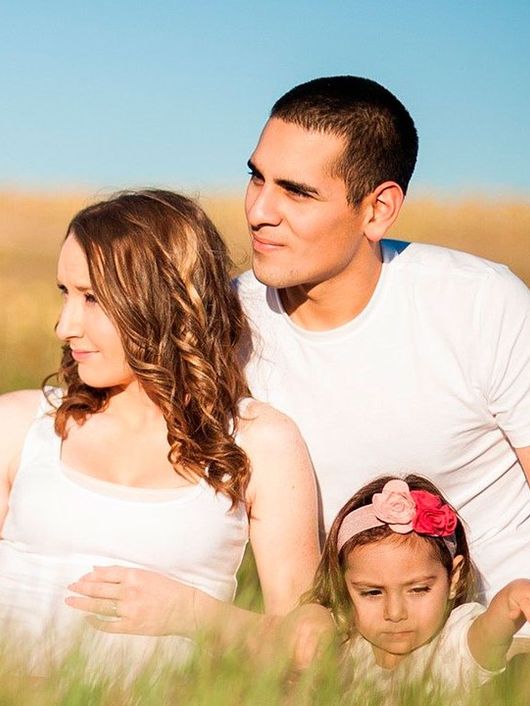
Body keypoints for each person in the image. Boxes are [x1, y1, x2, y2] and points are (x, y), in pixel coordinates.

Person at [235, 76, 530, 641]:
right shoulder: (224, 323)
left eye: (296, 192)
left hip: (504, 649)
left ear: (378, 210)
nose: (259, 211)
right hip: (340, 662)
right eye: (256, 177)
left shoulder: (480, 302)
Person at [0, 189, 320, 673]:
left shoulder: (260, 442)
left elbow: (311, 647)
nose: (65, 325)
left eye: (92, 298)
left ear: (164, 301)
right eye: (65, 294)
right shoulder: (21, 425)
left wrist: (193, 615)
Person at [306, 474, 530, 703]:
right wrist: (312, 614)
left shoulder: (453, 644)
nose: (395, 613)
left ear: (453, 578)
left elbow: (488, 635)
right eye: (372, 592)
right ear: (343, 586)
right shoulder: (345, 645)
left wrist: (511, 599)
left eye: (418, 590)